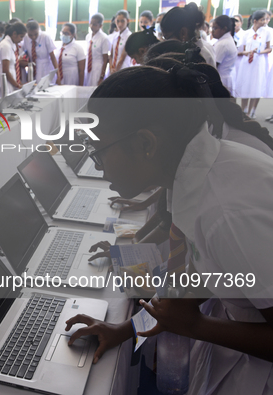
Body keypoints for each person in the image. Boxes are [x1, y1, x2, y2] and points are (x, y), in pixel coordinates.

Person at [70, 65, 273, 394]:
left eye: (100, 153)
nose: (99, 166)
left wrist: (197, 326)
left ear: (145, 143)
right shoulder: (191, 177)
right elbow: (188, 292)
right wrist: (126, 329)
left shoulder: (226, 212)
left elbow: (187, 313)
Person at [235, 10, 271, 118]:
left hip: (259, 62)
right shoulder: (246, 34)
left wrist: (259, 52)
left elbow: (269, 48)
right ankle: (243, 110)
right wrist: (246, 53)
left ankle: (251, 111)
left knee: (256, 86)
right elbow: (240, 50)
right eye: (262, 19)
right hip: (246, 63)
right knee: (246, 85)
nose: (265, 22)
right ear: (255, 21)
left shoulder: (267, 32)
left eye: (266, 19)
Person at [160, 3, 217, 68]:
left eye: (166, 37)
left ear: (183, 32)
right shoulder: (205, 46)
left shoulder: (199, 57)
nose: (165, 41)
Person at [212, 15, 238, 96]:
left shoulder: (223, 44)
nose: (212, 31)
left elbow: (214, 65)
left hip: (220, 79)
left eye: (215, 28)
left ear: (224, 29)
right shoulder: (227, 40)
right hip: (225, 78)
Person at [0, 22, 28, 92]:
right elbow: (5, 70)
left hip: (11, 83)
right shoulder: (5, 46)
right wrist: (17, 85)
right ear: (14, 34)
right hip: (6, 84)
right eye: (21, 37)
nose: (22, 40)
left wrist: (20, 84)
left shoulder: (11, 45)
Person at [83, 13, 110, 87]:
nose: (91, 26)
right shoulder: (88, 36)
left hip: (97, 69)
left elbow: (105, 59)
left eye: (94, 24)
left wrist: (101, 76)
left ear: (100, 26)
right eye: (90, 23)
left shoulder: (104, 38)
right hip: (88, 68)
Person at [109, 10, 132, 75]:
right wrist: (111, 68)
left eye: (122, 21)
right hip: (112, 70)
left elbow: (122, 57)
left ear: (127, 21)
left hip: (123, 69)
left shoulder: (129, 36)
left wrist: (116, 70)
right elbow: (111, 55)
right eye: (118, 21)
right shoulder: (115, 36)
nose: (119, 24)